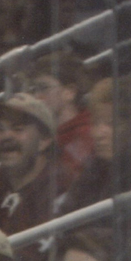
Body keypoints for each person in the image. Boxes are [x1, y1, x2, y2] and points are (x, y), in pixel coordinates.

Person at [0, 93, 64, 261]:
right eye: (0, 129)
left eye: (18, 129)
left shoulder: (60, 186)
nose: (6, 137)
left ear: (44, 141)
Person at [24, 50, 93, 186]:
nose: (36, 97)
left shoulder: (86, 132)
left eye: (43, 88)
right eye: (33, 90)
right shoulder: (44, 136)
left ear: (69, 92)